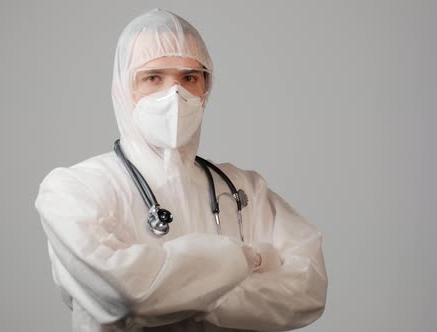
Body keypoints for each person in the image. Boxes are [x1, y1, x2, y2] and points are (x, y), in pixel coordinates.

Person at [35, 8, 327, 332]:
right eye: (153, 77)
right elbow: (127, 293)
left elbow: (308, 289)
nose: (175, 94)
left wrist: (187, 298)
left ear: (206, 88)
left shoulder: (243, 189)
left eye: (189, 78)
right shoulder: (76, 190)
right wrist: (248, 258)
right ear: (122, 88)